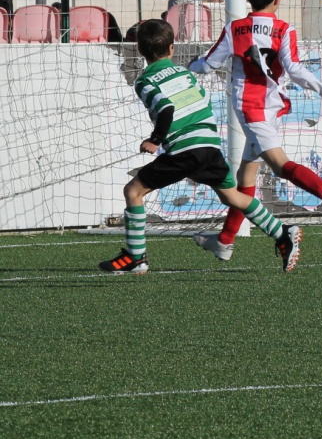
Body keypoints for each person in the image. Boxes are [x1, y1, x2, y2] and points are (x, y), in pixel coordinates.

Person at [98, 18, 302, 274]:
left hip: (184, 150)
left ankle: (136, 258)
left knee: (133, 192)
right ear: (172, 48)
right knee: (232, 196)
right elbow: (202, 100)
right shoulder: (184, 73)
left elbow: (166, 108)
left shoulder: (145, 81)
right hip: (209, 146)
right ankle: (282, 232)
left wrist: (155, 140)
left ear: (139, 50)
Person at [188, 0, 322, 261]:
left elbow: (209, 65)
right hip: (271, 105)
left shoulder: (235, 29)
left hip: (252, 109)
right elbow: (295, 69)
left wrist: (189, 67)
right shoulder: (284, 29)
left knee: (278, 165)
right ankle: (224, 240)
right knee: (246, 174)